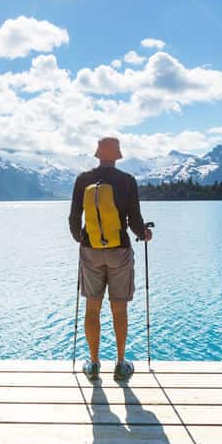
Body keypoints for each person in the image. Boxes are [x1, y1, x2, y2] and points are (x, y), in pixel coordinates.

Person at [68, 136, 152, 382]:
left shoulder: (83, 180)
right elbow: (135, 220)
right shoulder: (127, 181)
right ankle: (120, 364)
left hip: (90, 251)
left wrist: (81, 239)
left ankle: (93, 365)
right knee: (119, 308)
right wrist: (144, 234)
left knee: (92, 307)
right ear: (117, 156)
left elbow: (74, 218)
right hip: (120, 251)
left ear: (97, 154)